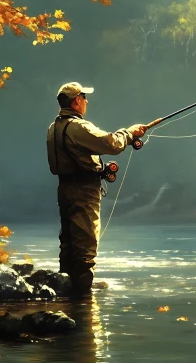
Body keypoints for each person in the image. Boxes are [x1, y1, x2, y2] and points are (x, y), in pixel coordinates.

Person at [46, 82, 147, 298]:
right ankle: (83, 301)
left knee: (68, 244)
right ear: (76, 101)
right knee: (85, 247)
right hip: (83, 191)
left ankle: (66, 294)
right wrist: (129, 133)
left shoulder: (53, 128)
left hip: (64, 189)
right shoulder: (78, 127)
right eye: (84, 97)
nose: (86, 101)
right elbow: (111, 144)